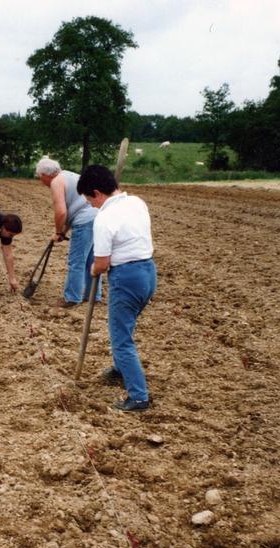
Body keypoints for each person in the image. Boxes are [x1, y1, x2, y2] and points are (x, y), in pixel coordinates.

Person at [77, 165, 157, 412]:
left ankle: (139, 397)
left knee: (121, 340)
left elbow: (101, 263)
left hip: (126, 277)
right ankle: (120, 368)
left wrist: (92, 271)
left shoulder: (104, 218)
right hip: (148, 272)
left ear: (97, 192)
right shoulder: (136, 202)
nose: (91, 205)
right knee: (125, 325)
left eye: (90, 200)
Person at [35, 157, 101, 308]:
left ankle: (71, 298)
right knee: (91, 260)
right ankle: (92, 296)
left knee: (76, 261)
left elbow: (61, 212)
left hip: (84, 221)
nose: (41, 181)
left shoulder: (56, 182)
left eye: (40, 177)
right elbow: (74, 208)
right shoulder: (70, 175)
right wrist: (63, 232)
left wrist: (58, 232)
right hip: (96, 217)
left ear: (45, 175)